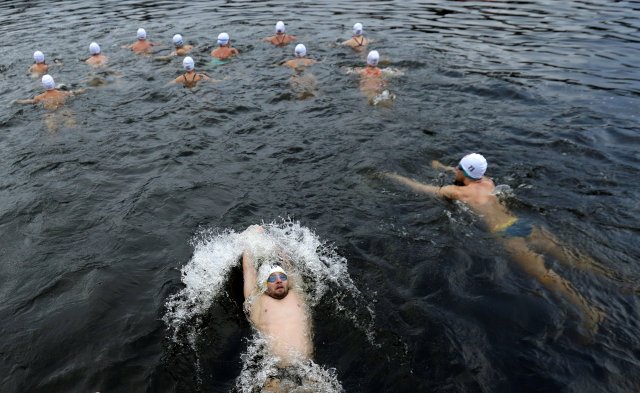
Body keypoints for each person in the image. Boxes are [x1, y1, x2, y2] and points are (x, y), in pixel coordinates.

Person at [384, 153, 606, 335]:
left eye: (458, 168)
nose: (456, 170)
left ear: (464, 171)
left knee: (544, 274)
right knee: (573, 258)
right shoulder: (488, 182)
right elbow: (468, 172)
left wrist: (394, 177)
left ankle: (590, 311)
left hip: (506, 233)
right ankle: (615, 279)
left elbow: (422, 188)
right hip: (523, 224)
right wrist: (441, 166)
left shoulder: (459, 192)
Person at [240, 225, 312, 368]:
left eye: (282, 277)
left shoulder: (297, 292)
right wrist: (249, 240)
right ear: (264, 285)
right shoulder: (256, 300)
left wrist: (271, 238)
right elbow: (249, 271)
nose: (278, 280)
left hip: (307, 368)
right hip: (273, 372)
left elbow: (288, 263)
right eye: (272, 279)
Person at [16, 74, 85, 110]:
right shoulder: (63, 93)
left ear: (44, 85)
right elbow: (76, 93)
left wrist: (18, 101)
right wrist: (84, 89)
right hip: (63, 109)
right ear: (53, 83)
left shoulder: (39, 97)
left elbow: (29, 101)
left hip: (50, 113)